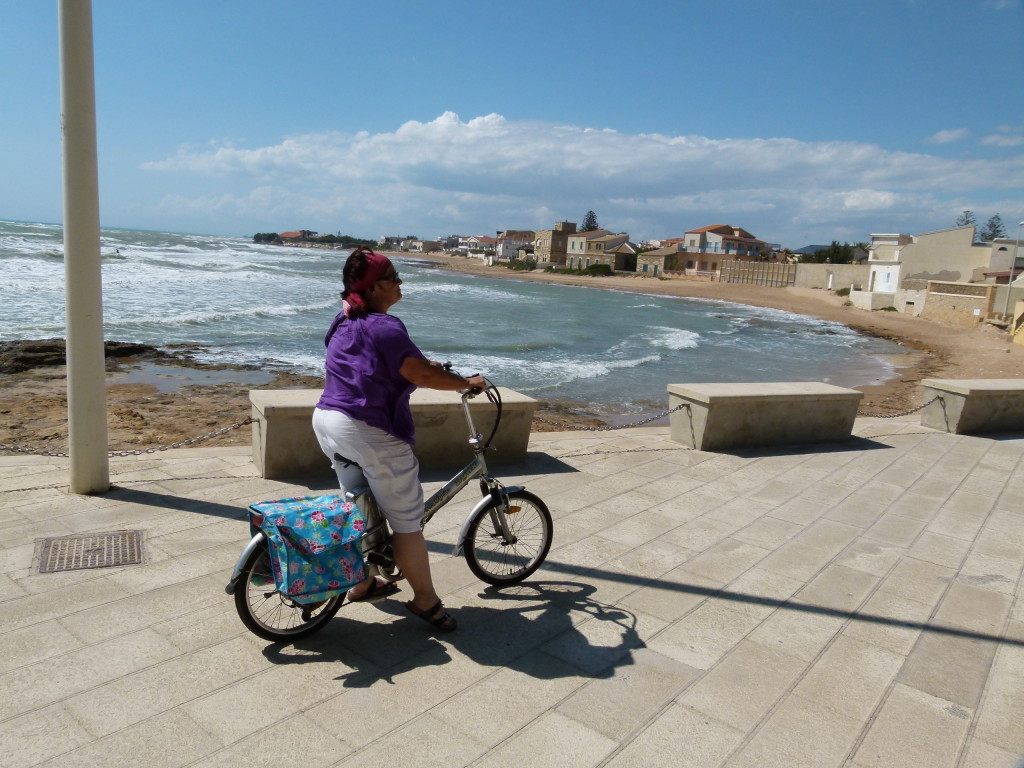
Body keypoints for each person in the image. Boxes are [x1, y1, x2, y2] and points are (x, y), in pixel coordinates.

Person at [312, 246, 485, 632]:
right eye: (392, 277)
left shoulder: (343, 321)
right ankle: (425, 601)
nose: (399, 283)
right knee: (407, 523)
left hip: (327, 421)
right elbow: (421, 375)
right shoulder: (387, 326)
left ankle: (361, 582)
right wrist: (465, 382)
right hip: (367, 430)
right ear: (374, 288)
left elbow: (370, 363)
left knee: (360, 509)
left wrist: (420, 368)